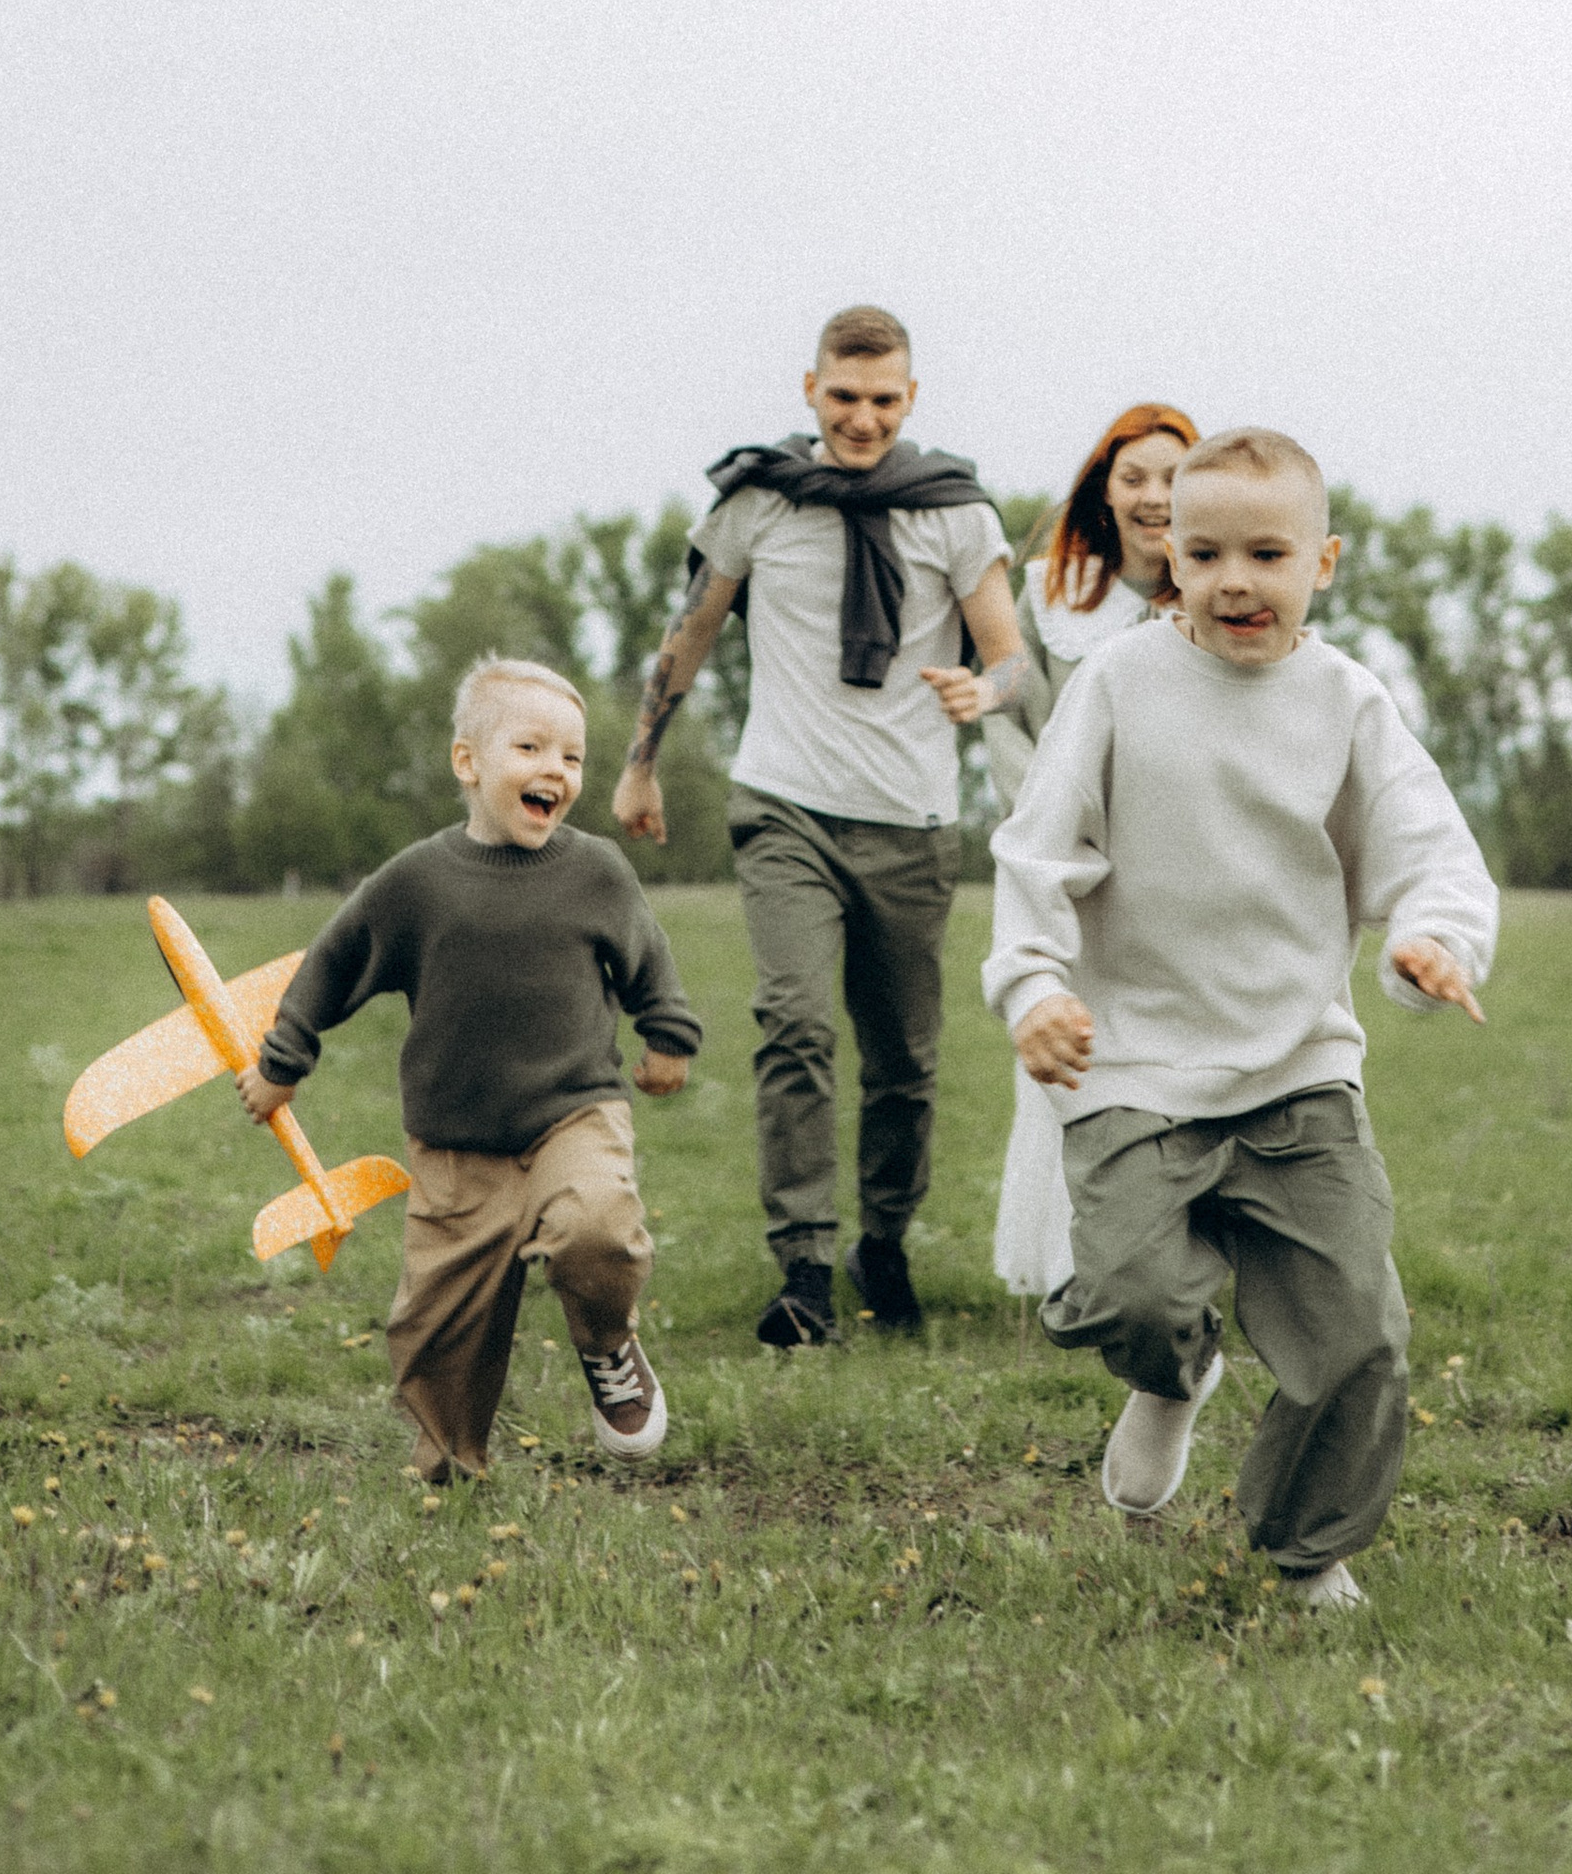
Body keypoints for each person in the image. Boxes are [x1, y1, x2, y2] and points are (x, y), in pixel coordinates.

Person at [983, 428, 1497, 1608]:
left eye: (1266, 554)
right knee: (1128, 1295)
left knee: (1358, 1337)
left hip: (1296, 1072)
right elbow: (1037, 850)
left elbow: (1430, 856)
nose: (1232, 581)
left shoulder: (1347, 702)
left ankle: (1306, 1547)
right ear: (1166, 556)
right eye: (1202, 551)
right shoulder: (1118, 682)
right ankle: (1170, 1377)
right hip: (1133, 1066)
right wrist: (1036, 986)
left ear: (1323, 562)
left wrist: (1433, 946)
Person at [614, 304, 1021, 1345]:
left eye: (884, 400)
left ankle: (881, 1244)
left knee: (902, 1060)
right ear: (809, 390)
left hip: (912, 819)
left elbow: (1010, 656)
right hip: (785, 803)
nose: (862, 419)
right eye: (844, 397)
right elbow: (691, 630)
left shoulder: (954, 514)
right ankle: (800, 1268)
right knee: (794, 1025)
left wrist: (990, 691)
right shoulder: (757, 502)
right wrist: (640, 765)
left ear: (911, 400)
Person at [238, 658, 701, 1481]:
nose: (555, 771)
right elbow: (332, 962)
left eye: (573, 757)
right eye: (531, 747)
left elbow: (648, 959)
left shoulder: (597, 871)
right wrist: (284, 1059)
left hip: (575, 1113)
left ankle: (607, 1344)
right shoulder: (418, 883)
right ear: (469, 763)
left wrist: (668, 1034)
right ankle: (448, 1464)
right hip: (456, 1143)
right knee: (438, 1328)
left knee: (598, 1229)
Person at [986, 402, 1198, 1298]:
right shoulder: (1048, 602)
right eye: (1134, 477)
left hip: (1190, 877)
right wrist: (1065, 841)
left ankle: (1188, 1250)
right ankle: (1071, 1262)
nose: (1154, 496)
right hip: (1074, 872)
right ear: (1102, 493)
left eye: (1174, 478)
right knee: (1075, 1051)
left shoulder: (1227, 601)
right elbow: (1012, 732)